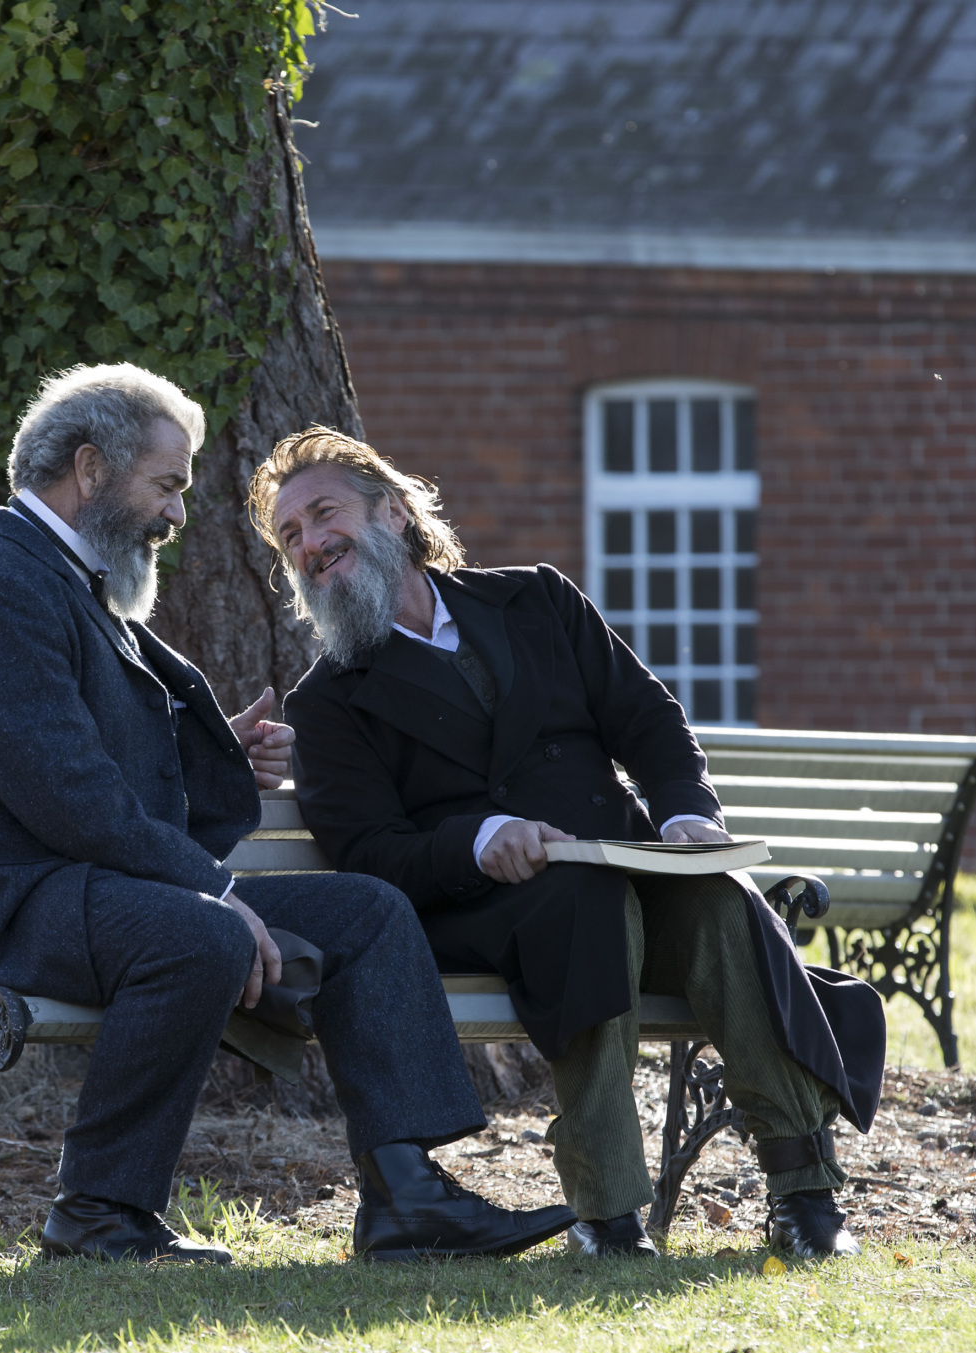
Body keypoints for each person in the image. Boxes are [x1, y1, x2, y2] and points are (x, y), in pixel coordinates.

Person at [0, 363, 575, 1264]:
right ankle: (98, 1210)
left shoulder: (67, 581)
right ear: (91, 470)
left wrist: (220, 762)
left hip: (80, 885)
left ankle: (407, 1198)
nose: (178, 515)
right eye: (168, 485)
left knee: (368, 912)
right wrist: (215, 896)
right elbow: (67, 795)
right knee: (200, 935)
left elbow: (95, 770)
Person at [252, 427, 886, 1261]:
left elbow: (649, 720)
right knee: (583, 906)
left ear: (395, 513)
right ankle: (610, 1214)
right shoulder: (331, 700)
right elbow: (368, 854)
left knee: (716, 895)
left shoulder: (536, 602)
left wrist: (685, 814)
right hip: (480, 913)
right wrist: (479, 840)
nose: (310, 545)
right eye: (289, 537)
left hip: (623, 868)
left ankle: (804, 1193)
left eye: (323, 514)